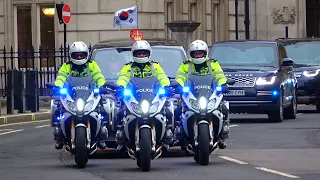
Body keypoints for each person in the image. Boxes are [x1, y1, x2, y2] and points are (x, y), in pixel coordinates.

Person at [114, 40, 173, 150]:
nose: (141, 55)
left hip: (152, 96)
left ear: (148, 54)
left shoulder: (155, 66)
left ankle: (166, 136)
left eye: (143, 53)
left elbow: (162, 77)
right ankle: (121, 136)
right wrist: (121, 86)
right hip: (135, 97)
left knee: (168, 112)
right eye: (138, 53)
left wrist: (166, 86)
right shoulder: (128, 67)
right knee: (120, 112)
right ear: (134, 54)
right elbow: (123, 78)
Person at [52, 41, 108, 150]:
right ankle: (58, 136)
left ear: (86, 55)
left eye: (81, 55)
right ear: (71, 56)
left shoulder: (92, 65)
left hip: (88, 94)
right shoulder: (66, 66)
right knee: (57, 109)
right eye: (76, 55)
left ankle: (101, 136)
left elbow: (99, 77)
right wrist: (57, 87)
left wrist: (102, 86)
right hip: (73, 95)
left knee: (103, 108)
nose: (79, 57)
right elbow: (61, 78)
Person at [174, 39, 230, 149]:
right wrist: (179, 86)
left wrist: (223, 85)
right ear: (191, 54)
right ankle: (179, 135)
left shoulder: (213, 63)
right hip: (192, 95)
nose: (198, 56)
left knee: (224, 108)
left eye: (200, 53)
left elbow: (220, 76)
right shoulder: (186, 65)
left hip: (209, 94)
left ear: (205, 53)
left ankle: (223, 133)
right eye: (195, 54)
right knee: (177, 111)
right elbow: (180, 77)